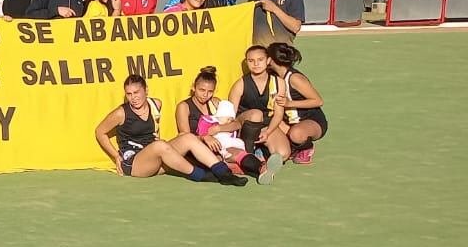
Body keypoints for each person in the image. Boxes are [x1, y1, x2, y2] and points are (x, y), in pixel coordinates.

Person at [92, 74, 249, 185]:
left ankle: (223, 172)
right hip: (135, 164)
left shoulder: (156, 104)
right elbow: (100, 131)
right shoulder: (121, 112)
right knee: (160, 145)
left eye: (137, 92)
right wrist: (116, 156)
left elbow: (154, 131)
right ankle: (202, 176)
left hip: (157, 160)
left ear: (146, 90)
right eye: (129, 94)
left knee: (188, 137)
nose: (133, 97)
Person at [224, 45, 289, 184]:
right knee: (256, 114)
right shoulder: (240, 84)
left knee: (283, 154)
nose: (256, 64)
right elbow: (230, 115)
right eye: (251, 60)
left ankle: (263, 158)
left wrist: (268, 132)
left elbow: (278, 114)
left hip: (266, 124)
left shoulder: (278, 83)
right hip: (245, 124)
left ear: (268, 61)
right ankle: (249, 155)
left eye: (260, 60)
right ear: (247, 62)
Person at [265, 42, 327, 165]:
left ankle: (306, 148)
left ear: (270, 59)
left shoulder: (294, 78)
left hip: (310, 121)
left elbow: (318, 101)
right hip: (288, 122)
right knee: (267, 125)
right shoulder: (272, 76)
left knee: (296, 134)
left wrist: (290, 103)